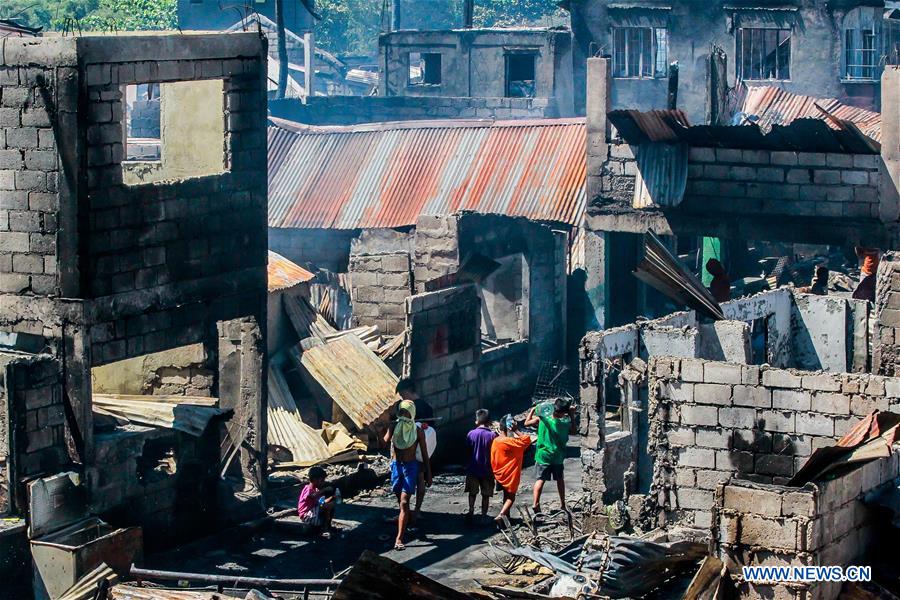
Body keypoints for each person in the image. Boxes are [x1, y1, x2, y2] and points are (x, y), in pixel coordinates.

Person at [383, 399, 432, 551]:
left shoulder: (418, 431)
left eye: (407, 412)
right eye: (401, 412)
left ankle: (399, 538)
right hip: (397, 466)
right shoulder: (395, 426)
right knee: (400, 501)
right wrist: (383, 430)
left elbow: (424, 454)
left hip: (411, 467)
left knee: (404, 502)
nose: (404, 415)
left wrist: (428, 474)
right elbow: (383, 444)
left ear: (411, 414)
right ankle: (407, 518)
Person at [396, 378, 437, 527]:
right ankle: (416, 510)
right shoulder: (426, 406)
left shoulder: (410, 407)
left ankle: (406, 510)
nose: (401, 397)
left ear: (407, 391)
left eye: (402, 394)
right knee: (419, 478)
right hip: (421, 449)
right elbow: (430, 429)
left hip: (412, 450)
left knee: (410, 480)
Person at [525, 397, 576, 516]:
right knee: (560, 480)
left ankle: (536, 503)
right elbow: (574, 431)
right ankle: (563, 504)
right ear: (564, 412)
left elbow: (526, 423)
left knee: (540, 480)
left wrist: (533, 411)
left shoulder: (543, 419)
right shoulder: (564, 424)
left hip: (543, 455)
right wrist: (572, 415)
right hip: (557, 456)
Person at [490, 414, 532, 523]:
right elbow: (526, 441)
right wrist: (516, 430)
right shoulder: (510, 442)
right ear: (509, 427)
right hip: (510, 474)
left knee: (505, 495)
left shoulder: (496, 440)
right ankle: (501, 515)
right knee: (511, 497)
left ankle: (506, 518)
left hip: (499, 473)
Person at [465, 409, 497, 523]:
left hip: (473, 469)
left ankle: (471, 510)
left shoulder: (471, 434)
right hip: (487, 470)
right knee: (486, 495)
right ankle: (484, 515)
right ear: (490, 422)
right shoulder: (492, 436)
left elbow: (467, 451)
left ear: (477, 421)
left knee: (472, 492)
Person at [296, 466, 338, 539]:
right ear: (315, 480)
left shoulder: (315, 489)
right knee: (328, 506)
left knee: (331, 505)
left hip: (313, 511)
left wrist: (333, 497)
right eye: (322, 480)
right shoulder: (309, 489)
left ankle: (327, 526)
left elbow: (321, 502)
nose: (323, 482)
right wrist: (324, 490)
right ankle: (324, 528)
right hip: (306, 515)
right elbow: (311, 496)